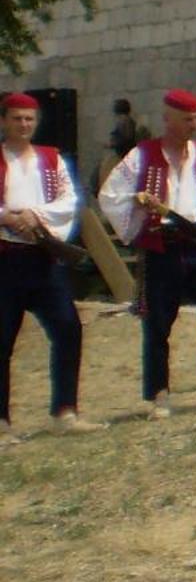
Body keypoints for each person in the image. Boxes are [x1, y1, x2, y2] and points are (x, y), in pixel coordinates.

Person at [100, 89, 196, 417]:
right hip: (162, 246)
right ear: (168, 119)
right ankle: (158, 394)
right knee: (158, 322)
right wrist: (137, 205)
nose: (194, 125)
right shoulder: (143, 155)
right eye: (187, 119)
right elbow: (111, 194)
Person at [0, 91, 106, 437]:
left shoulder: (51, 159)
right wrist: (8, 217)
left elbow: (68, 201)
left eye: (29, 118)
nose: (23, 124)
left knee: (67, 328)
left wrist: (34, 215)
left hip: (43, 258)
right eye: (16, 118)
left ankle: (65, 411)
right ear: (4, 121)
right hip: (5, 258)